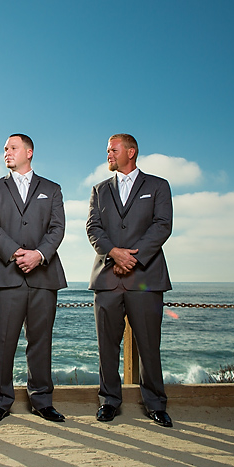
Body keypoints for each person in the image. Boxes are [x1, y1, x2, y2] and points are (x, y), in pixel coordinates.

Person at [86, 133, 174, 428]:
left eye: (113, 149)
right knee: (106, 347)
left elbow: (163, 225)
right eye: (107, 150)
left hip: (146, 278)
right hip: (107, 279)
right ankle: (109, 401)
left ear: (131, 152)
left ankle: (155, 404)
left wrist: (132, 258)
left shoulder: (158, 186)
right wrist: (114, 253)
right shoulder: (99, 190)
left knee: (149, 345)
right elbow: (93, 227)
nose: (108, 154)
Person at [0, 134, 67, 424]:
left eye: (12, 148)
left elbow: (57, 228)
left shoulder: (52, 189)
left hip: (44, 275)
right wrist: (16, 253)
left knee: (41, 341)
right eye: (5, 148)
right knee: (2, 342)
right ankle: (0, 401)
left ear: (29, 152)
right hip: (5, 274)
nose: (7, 152)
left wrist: (39, 255)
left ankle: (42, 401)